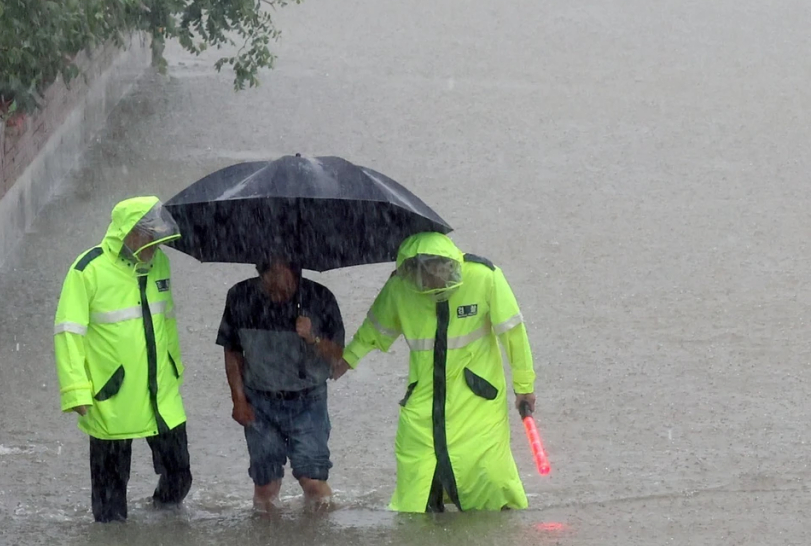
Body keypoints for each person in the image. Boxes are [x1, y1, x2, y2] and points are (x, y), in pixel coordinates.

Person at [334, 232, 538, 513]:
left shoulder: (484, 276)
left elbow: (513, 333)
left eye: (440, 268)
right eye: (427, 271)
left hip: (477, 401)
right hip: (423, 402)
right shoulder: (400, 287)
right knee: (417, 486)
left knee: (488, 475)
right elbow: (373, 331)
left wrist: (524, 386)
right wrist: (345, 361)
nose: (435, 277)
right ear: (414, 268)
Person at [53, 196, 192, 522]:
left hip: (162, 392)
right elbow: (67, 332)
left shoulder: (159, 265)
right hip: (112, 394)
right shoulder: (87, 270)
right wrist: (75, 389)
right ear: (129, 235)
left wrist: (175, 368)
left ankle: (165, 522)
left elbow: (166, 321)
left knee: (180, 474)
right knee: (110, 501)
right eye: (149, 239)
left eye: (159, 239)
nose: (155, 247)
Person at [216, 255, 346, 511]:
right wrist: (238, 401)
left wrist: (313, 338)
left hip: (309, 401)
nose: (276, 287)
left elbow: (340, 359)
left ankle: (320, 542)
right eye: (269, 280)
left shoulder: (321, 298)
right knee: (265, 486)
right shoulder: (240, 296)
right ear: (259, 273)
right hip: (259, 402)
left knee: (313, 482)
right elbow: (232, 352)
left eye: (283, 280)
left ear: (295, 274)